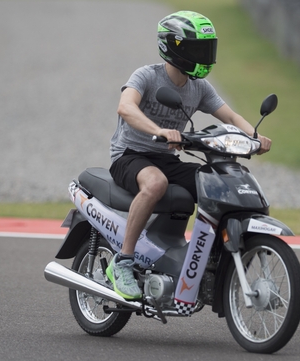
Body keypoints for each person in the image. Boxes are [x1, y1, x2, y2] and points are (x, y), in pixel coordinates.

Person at [106, 10, 272, 300]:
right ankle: (123, 262)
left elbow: (230, 116)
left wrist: (254, 137)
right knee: (155, 183)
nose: (205, 57)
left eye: (208, 50)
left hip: (166, 159)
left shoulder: (199, 88)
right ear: (174, 47)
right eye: (198, 50)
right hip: (130, 155)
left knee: (219, 186)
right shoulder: (147, 76)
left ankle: (210, 259)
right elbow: (126, 108)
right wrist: (159, 130)